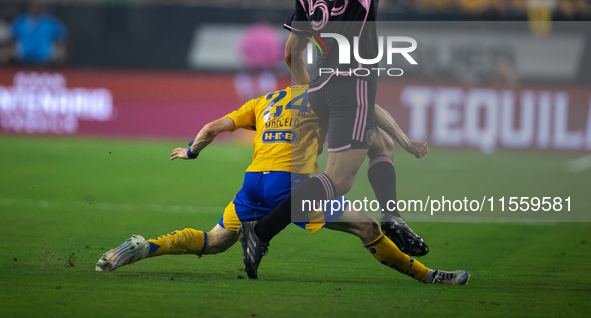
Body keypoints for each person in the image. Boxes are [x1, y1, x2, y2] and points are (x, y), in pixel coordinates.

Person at [96, 85, 470, 285]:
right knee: (366, 225)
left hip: (252, 185)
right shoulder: (320, 96)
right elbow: (367, 108)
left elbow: (212, 128)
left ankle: (145, 247)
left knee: (214, 241)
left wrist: (192, 152)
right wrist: (404, 142)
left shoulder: (263, 101)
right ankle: (429, 276)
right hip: (289, 186)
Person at [241, 0, 423, 278]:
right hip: (351, 79)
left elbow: (292, 51)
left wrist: (307, 96)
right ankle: (261, 231)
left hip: (321, 84)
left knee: (381, 143)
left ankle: (393, 216)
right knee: (337, 181)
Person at [5, 0, 68, 65]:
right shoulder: (22, 21)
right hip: (23, 61)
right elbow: (10, 38)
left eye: (38, 5)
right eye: (33, 5)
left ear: (43, 7)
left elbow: (64, 38)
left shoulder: (50, 22)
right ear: (29, 7)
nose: (35, 7)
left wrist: (64, 57)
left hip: (45, 62)